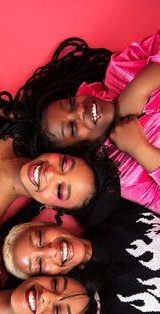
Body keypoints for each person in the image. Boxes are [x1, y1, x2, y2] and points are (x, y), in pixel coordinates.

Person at [1, 199, 160, 314]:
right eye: (41, 263)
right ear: (45, 277)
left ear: (49, 225)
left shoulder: (107, 211)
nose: (51, 251)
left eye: (40, 239)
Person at [22, 30, 160, 213]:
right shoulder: (124, 174)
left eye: (70, 104)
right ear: (82, 149)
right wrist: (140, 148)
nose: (79, 110)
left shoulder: (120, 71)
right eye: (72, 127)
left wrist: (138, 88)